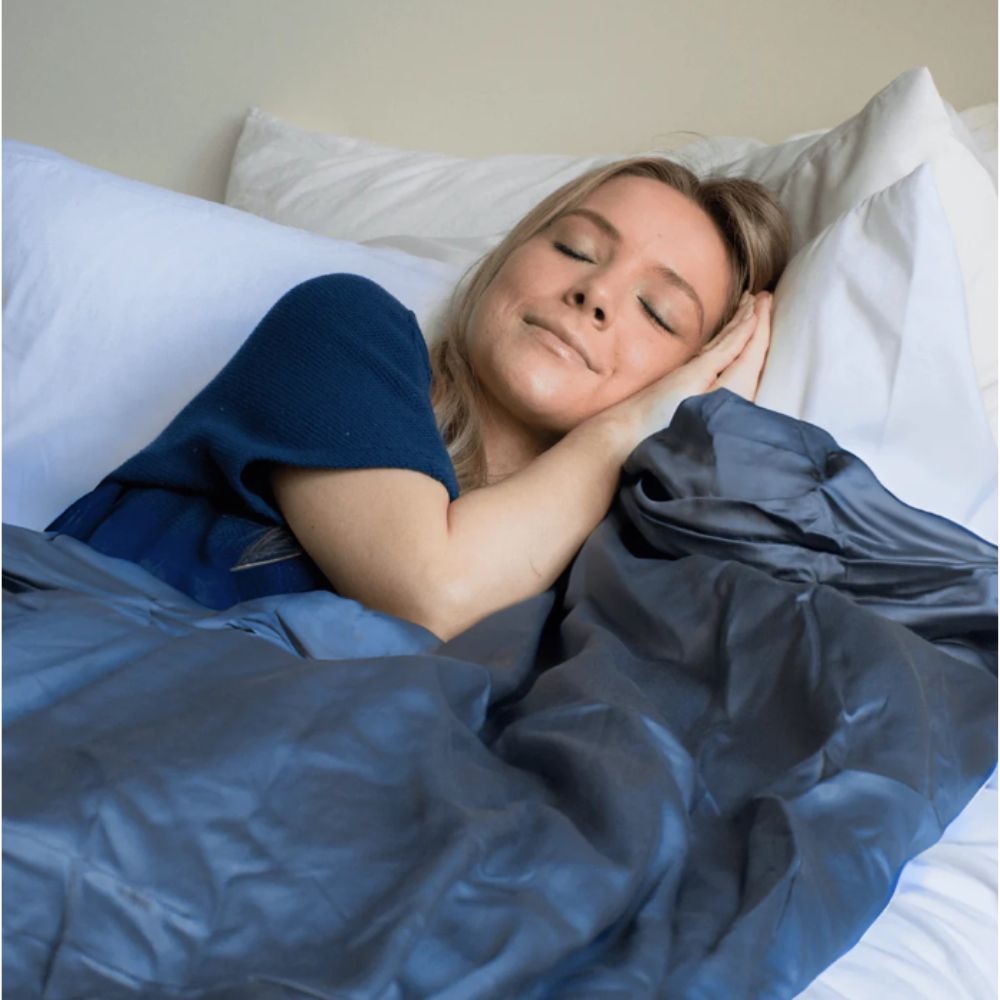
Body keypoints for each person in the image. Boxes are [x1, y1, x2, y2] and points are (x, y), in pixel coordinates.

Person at [48, 157, 790, 639]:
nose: (594, 292)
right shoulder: (348, 330)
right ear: (504, 264)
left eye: (657, 311)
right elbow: (430, 590)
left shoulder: (610, 576)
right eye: (576, 249)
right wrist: (627, 427)